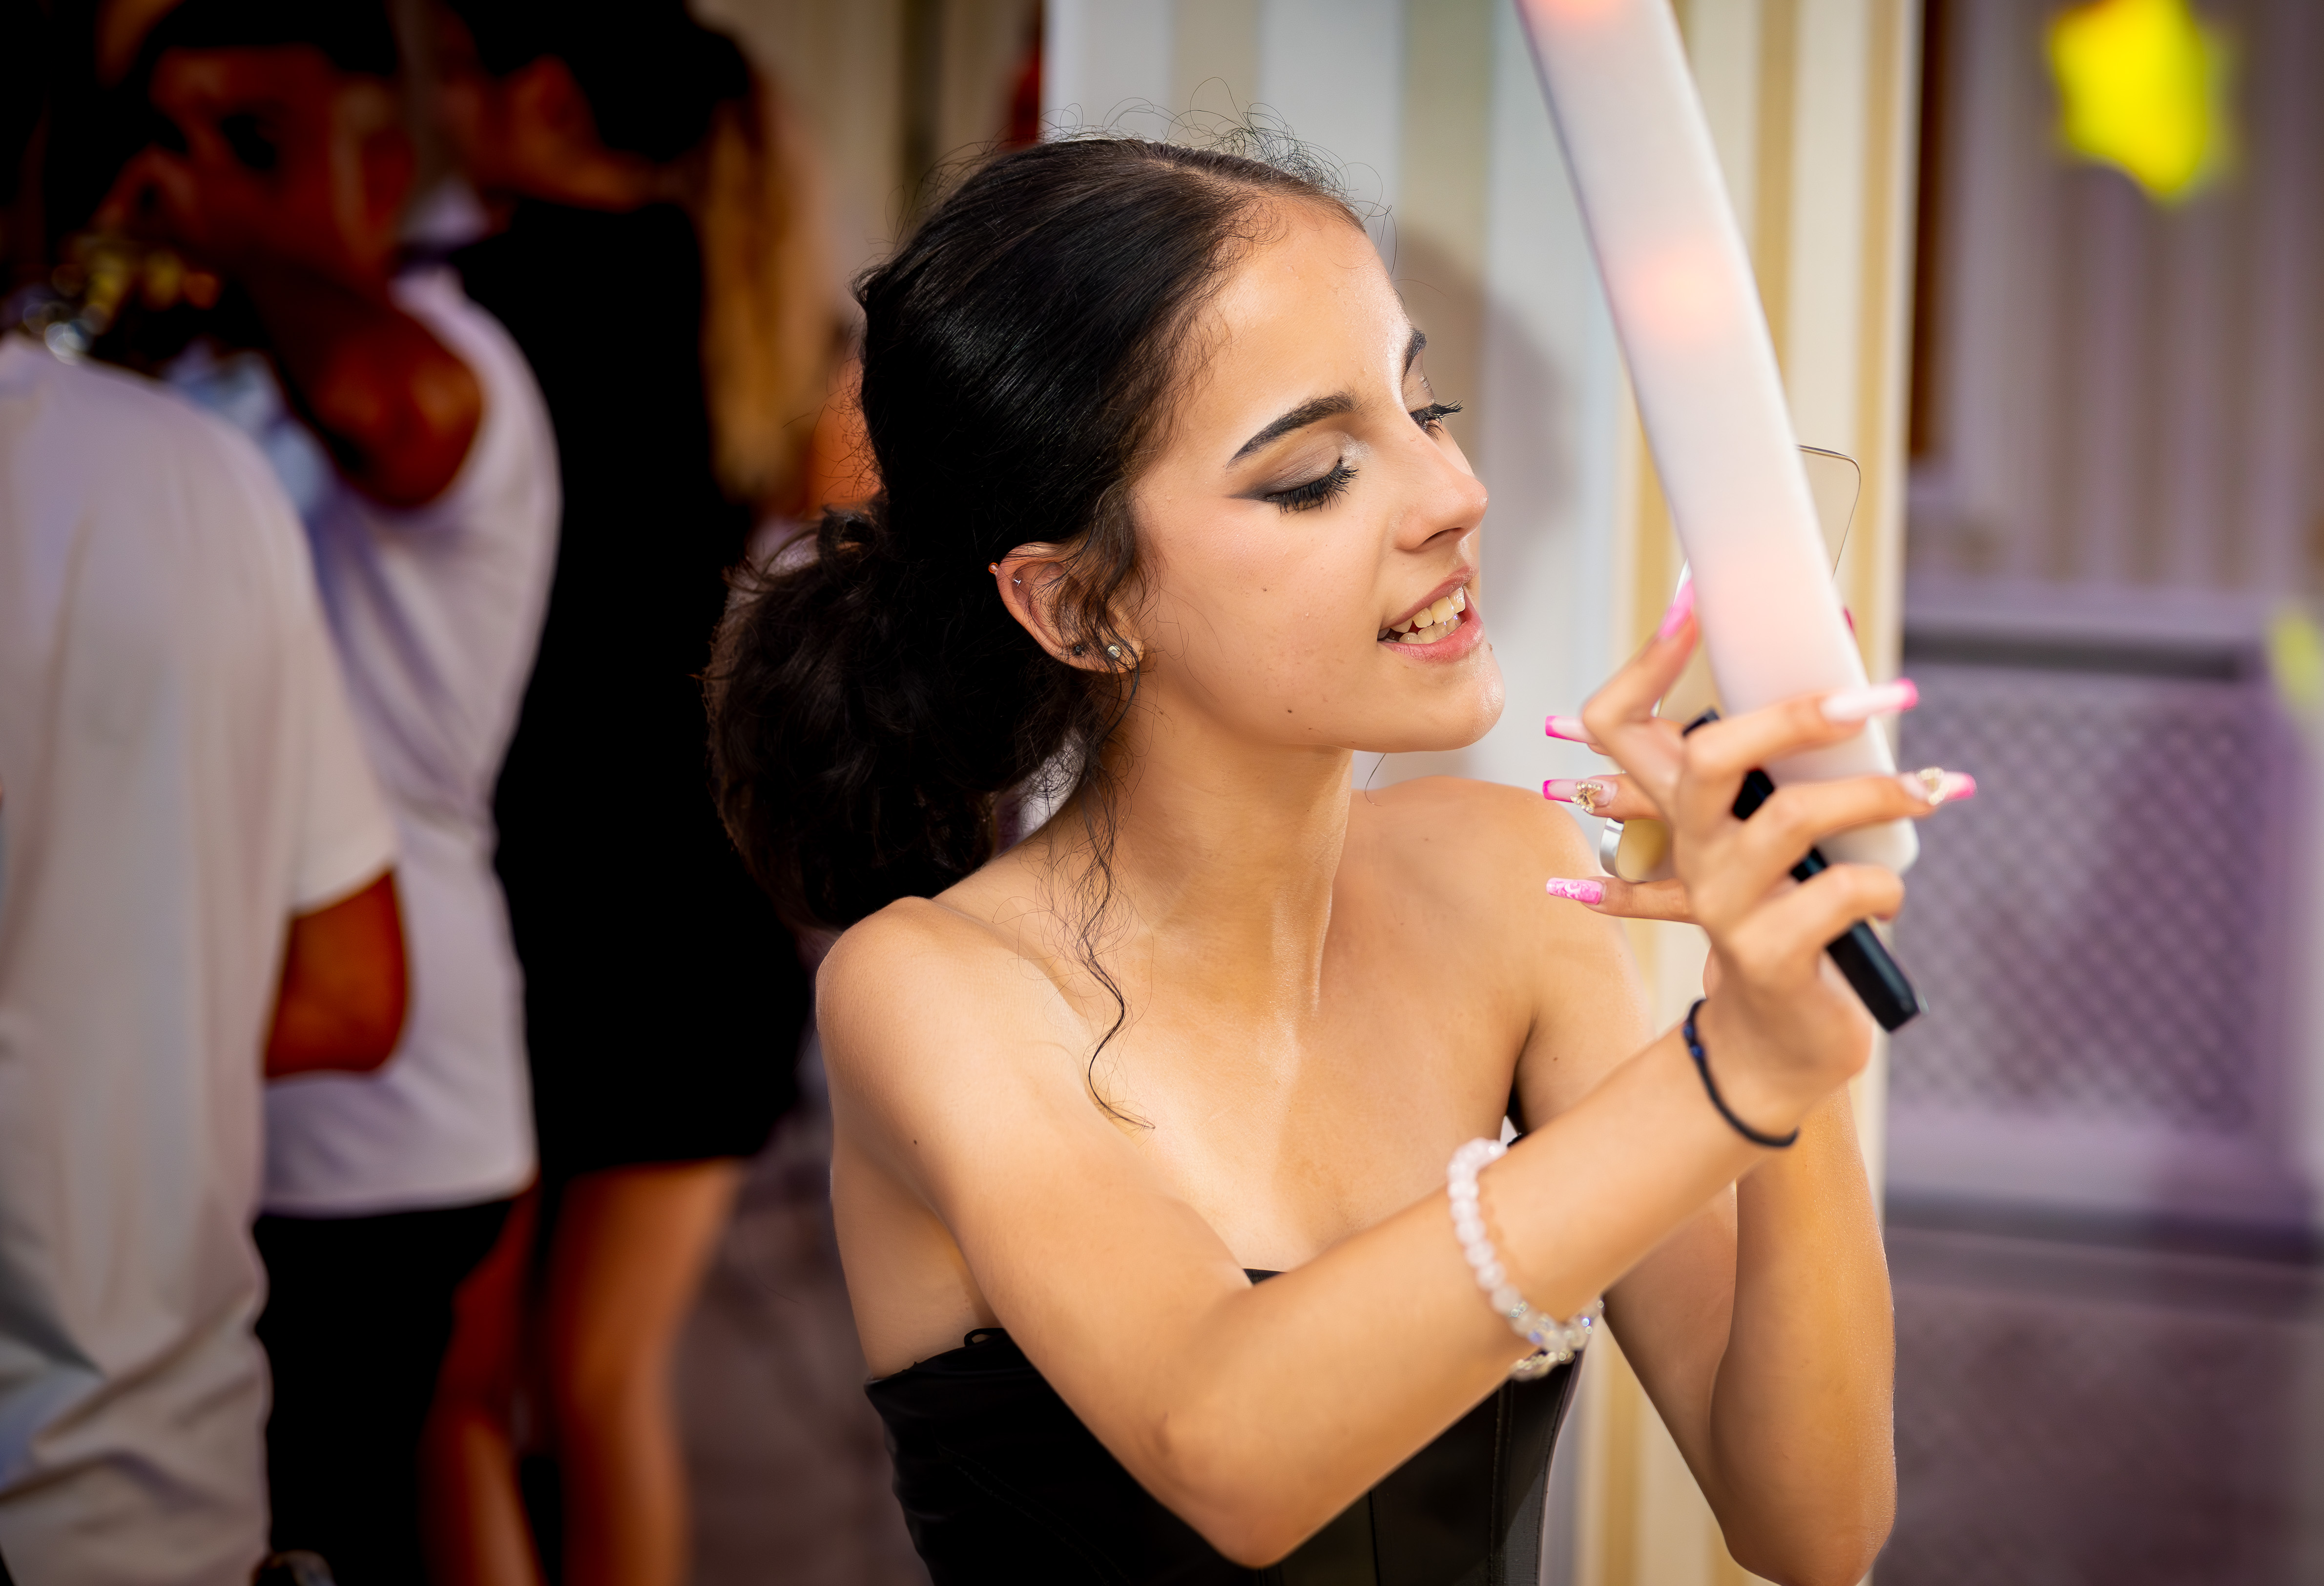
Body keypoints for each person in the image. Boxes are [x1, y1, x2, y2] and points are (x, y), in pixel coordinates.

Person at [709, 134, 1961, 1580]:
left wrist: (1789, 992)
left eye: (1427, 409)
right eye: (1315, 476)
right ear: (1077, 605)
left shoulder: (1505, 883)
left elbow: (1812, 1526)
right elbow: (1227, 1450)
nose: (1453, 493)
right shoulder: (930, 989)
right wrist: (1722, 1077)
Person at [89, 1, 560, 1577]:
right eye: (168, 140)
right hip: (204, 1076)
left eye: (255, 143)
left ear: (383, 160)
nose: (187, 182)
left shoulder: (448, 365)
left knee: (340, 1526)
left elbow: (383, 409)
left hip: (383, 1101)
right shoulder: (197, 382)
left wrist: (232, 233)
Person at [427, 4, 833, 1581]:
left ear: (538, 96)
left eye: (454, 71)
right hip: (700, 918)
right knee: (607, 1389)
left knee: (461, 1402)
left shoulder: (455, 316)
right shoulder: (756, 311)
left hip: (513, 908)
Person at [0, 9, 407, 1576]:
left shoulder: (315, 410)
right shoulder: (187, 469)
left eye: (247, 144)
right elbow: (350, 982)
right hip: (141, 1476)